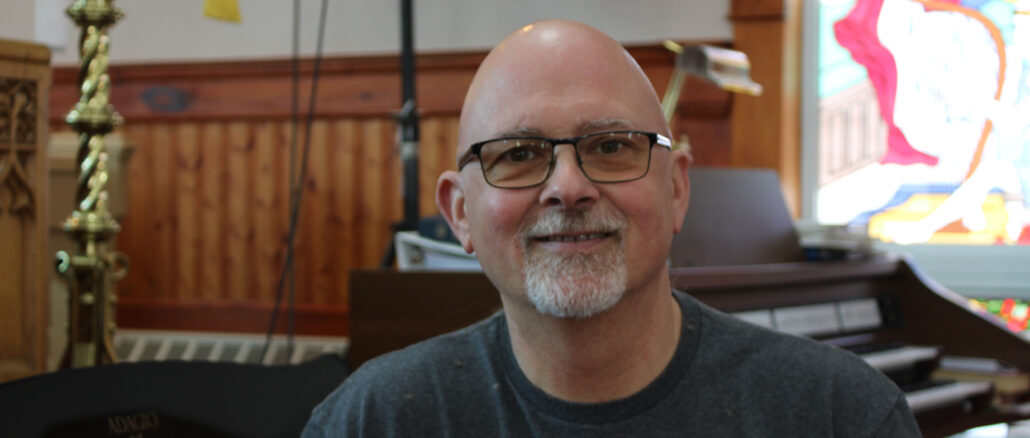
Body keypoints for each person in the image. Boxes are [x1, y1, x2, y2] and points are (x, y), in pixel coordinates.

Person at [303, 20, 919, 436]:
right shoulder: (372, 421)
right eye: (517, 154)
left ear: (676, 188)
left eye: (612, 146)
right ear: (459, 213)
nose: (568, 187)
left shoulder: (843, 417)